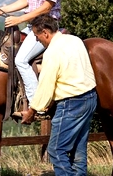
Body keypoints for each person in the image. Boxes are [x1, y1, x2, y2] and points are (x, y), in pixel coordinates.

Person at [20, 14, 97, 175]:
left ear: (45, 33)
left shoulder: (52, 52)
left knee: (55, 150)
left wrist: (32, 111)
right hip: (90, 97)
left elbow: (46, 86)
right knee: (78, 148)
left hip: (71, 102)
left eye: (37, 36)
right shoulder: (75, 40)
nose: (37, 40)